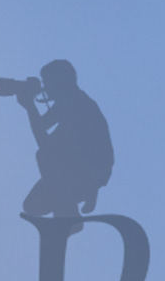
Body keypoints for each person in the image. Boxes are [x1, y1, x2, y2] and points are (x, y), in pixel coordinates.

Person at [16, 60, 115, 220]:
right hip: (79, 168)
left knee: (44, 155)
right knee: (32, 205)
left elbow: (44, 143)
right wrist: (29, 104)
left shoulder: (77, 105)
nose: (46, 87)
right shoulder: (70, 101)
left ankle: (68, 216)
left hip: (88, 170)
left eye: (48, 82)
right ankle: (72, 206)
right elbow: (42, 126)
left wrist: (30, 106)